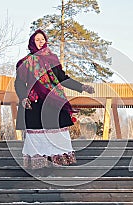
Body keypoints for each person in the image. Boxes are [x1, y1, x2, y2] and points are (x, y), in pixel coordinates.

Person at [15, 29, 95, 173]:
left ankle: (60, 161)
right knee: (37, 132)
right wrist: (23, 97)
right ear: (32, 42)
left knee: (58, 131)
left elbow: (62, 78)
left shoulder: (52, 59)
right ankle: (38, 163)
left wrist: (82, 87)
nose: (40, 42)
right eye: (37, 40)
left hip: (54, 101)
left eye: (42, 39)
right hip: (35, 101)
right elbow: (19, 83)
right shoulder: (24, 63)